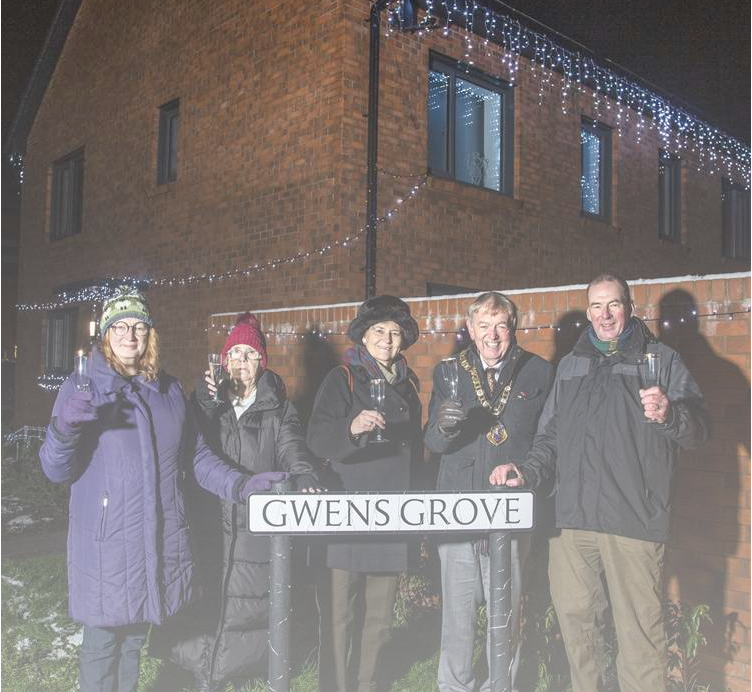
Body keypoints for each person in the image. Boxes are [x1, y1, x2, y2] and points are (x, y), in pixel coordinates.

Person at [39, 287, 286, 692]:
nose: (129, 334)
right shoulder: (83, 387)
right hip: (108, 542)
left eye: (138, 325)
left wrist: (241, 484)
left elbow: (197, 458)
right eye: (119, 325)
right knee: (102, 643)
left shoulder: (168, 391)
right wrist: (63, 429)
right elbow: (54, 469)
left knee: (135, 640)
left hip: (158, 538)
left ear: (150, 334)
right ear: (105, 333)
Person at [491, 274, 711, 692]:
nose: (604, 315)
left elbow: (699, 429)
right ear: (588, 311)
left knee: (640, 636)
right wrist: (528, 472)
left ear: (629, 307)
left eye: (613, 305)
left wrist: (669, 415)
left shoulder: (660, 360)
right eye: (596, 306)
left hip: (633, 520)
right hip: (572, 523)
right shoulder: (571, 365)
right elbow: (550, 436)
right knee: (577, 630)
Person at [166, 312, 323, 692]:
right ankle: (202, 680)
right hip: (209, 526)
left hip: (253, 529)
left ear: (261, 363)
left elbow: (292, 449)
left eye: (248, 354)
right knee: (206, 609)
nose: (239, 361)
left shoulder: (279, 410)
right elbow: (188, 443)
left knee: (245, 612)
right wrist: (204, 400)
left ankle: (235, 680)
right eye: (232, 353)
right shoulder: (207, 404)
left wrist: (305, 477)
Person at [424, 291, 553, 692]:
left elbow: (548, 440)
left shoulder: (538, 372)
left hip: (509, 511)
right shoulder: (450, 372)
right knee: (458, 617)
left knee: (505, 614)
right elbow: (432, 441)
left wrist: (526, 473)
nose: (492, 335)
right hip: (459, 510)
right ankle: (454, 686)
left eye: (501, 325)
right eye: (484, 326)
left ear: (513, 328)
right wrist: (444, 427)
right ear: (470, 330)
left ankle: (501, 686)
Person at [307, 295, 422, 692]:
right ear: (364, 336)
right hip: (348, 512)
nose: (387, 340)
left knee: (379, 619)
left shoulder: (409, 385)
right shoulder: (343, 378)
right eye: (379, 331)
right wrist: (351, 429)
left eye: (394, 333)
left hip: (391, 514)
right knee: (339, 616)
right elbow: (317, 438)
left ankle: (369, 685)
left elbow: (415, 452)